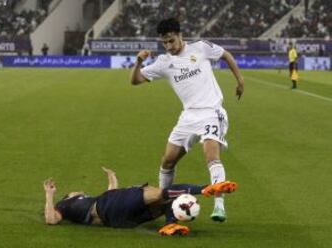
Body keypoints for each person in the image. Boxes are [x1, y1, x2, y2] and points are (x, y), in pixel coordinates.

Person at [130, 18, 244, 222]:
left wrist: (240, 79)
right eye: (164, 43)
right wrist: (138, 62)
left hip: (211, 111)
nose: (168, 46)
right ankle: (163, 203)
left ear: (180, 35)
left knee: (211, 155)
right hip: (188, 116)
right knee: (167, 161)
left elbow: (225, 55)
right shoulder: (165, 62)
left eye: (171, 41)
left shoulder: (201, 48)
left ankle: (219, 206)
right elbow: (135, 80)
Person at [44, 167, 238, 236]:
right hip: (111, 206)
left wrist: (112, 178)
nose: (80, 190)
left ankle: (170, 225)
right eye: (76, 191)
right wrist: (49, 194)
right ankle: (204, 189)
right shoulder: (65, 205)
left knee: (167, 202)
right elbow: (51, 219)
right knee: (161, 193)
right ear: (68, 195)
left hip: (120, 220)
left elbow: (110, 195)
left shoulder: (88, 202)